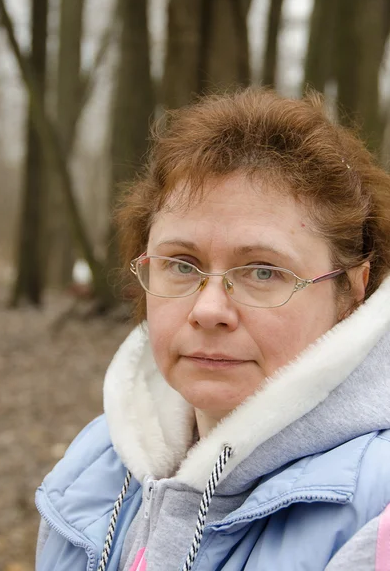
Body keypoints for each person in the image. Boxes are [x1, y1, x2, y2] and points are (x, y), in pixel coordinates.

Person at [35, 88, 390, 571]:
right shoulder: (96, 461)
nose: (208, 309)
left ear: (351, 290)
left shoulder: (377, 508)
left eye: (263, 271)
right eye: (182, 264)